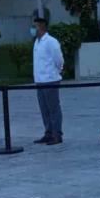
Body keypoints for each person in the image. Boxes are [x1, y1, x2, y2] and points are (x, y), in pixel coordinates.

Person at [31, 17, 64, 146]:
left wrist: (57, 71)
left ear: (42, 26)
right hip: (39, 81)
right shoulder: (37, 42)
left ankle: (57, 134)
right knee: (44, 109)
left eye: (34, 26)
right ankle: (48, 133)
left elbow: (59, 59)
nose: (32, 29)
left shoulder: (51, 41)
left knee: (53, 108)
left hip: (50, 80)